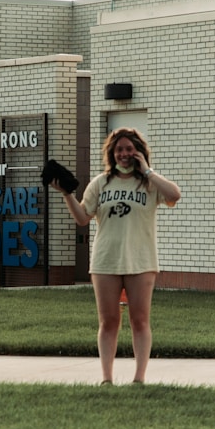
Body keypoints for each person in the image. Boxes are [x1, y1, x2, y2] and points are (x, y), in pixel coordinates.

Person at [50, 128, 181, 385]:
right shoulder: (100, 183)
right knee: (108, 321)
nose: (124, 154)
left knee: (140, 320)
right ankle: (107, 379)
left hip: (141, 261)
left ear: (139, 152)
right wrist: (66, 194)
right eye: (119, 149)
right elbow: (82, 218)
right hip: (105, 260)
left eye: (129, 149)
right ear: (112, 152)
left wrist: (148, 171)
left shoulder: (150, 183)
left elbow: (174, 195)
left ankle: (139, 379)